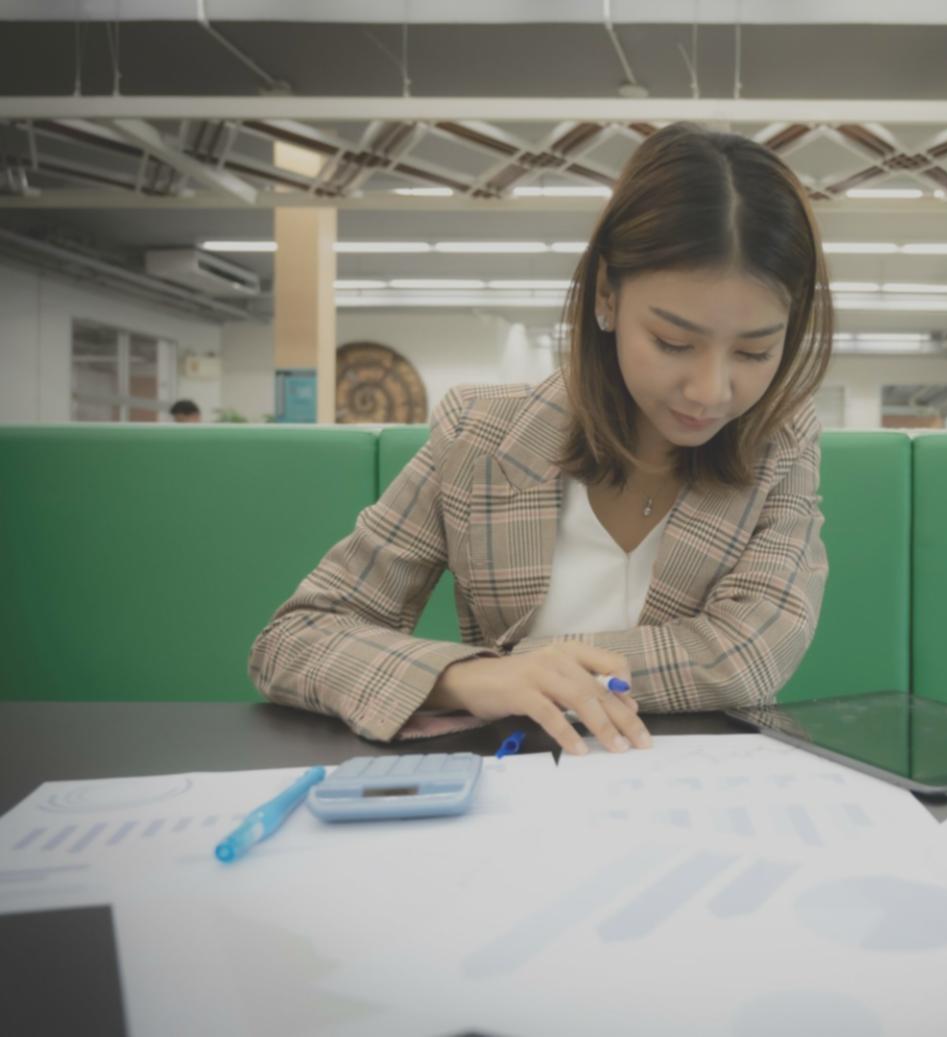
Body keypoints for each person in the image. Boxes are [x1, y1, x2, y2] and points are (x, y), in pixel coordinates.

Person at [249, 123, 834, 755]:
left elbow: (748, 653)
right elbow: (296, 638)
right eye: (672, 343)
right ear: (606, 296)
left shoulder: (781, 443)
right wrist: (470, 678)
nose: (711, 391)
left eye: (755, 350)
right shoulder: (479, 437)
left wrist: (539, 663)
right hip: (517, 793)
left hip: (696, 800)